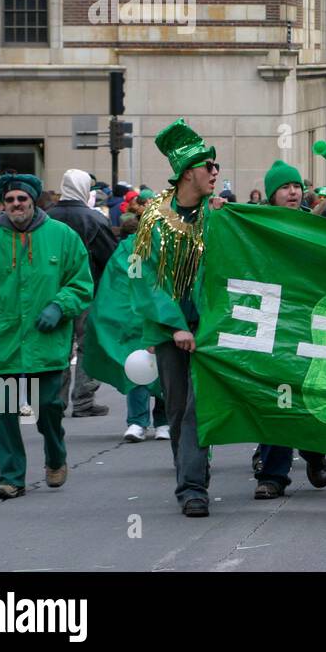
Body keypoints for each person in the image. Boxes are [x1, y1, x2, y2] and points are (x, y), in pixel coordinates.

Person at [0, 173, 93, 500]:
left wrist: (60, 305)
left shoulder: (62, 236)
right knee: (4, 413)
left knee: (49, 407)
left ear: (32, 201)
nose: (16, 204)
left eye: (22, 199)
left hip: (47, 341)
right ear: (2, 203)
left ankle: (56, 455)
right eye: (10, 199)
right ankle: (11, 477)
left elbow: (81, 283)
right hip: (1, 342)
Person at [122, 121, 219, 516]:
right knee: (178, 409)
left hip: (212, 329)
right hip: (170, 332)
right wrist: (176, 325)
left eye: (216, 166)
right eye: (208, 166)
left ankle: (192, 488)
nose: (215, 172)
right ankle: (192, 474)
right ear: (188, 173)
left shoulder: (217, 216)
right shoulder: (155, 222)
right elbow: (145, 280)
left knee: (199, 406)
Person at [253, 159, 326, 500]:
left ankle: (314, 451)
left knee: (307, 393)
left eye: (296, 186)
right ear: (272, 194)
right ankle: (273, 475)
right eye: (285, 187)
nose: (292, 191)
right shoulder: (254, 225)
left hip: (306, 322)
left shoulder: (314, 225)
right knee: (276, 396)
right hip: (271, 323)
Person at [47, 169, 118, 419]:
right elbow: (111, 258)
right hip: (87, 291)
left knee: (58, 348)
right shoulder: (94, 219)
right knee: (87, 346)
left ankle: (55, 400)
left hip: (51, 293)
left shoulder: (46, 217)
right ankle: (83, 400)